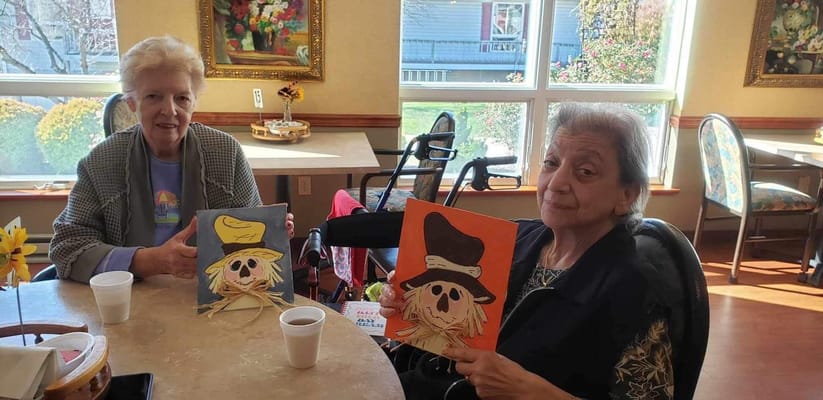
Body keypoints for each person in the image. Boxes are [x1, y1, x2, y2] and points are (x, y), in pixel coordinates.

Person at [379, 103, 673, 399]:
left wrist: (526, 389)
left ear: (627, 195)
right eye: (551, 163)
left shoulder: (635, 289)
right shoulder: (515, 238)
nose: (555, 183)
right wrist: (410, 307)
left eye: (585, 171)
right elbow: (454, 331)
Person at [49, 36, 294, 283]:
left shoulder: (225, 153)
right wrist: (154, 261)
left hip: (212, 293)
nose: (169, 110)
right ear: (132, 103)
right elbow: (67, 249)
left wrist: (271, 231)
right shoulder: (101, 162)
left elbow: (250, 238)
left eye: (182, 98)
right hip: (129, 295)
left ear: (194, 103)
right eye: (153, 96)